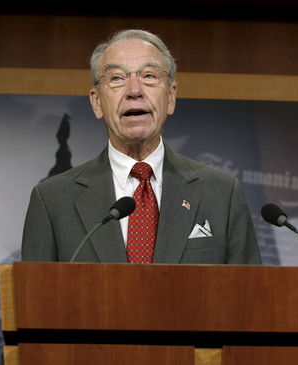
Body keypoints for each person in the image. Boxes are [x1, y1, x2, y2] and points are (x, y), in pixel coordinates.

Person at [21, 29, 260, 264]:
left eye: (149, 76)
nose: (134, 91)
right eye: (116, 78)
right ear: (96, 102)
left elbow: (249, 297)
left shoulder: (222, 194)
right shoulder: (52, 201)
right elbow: (34, 298)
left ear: (170, 97)